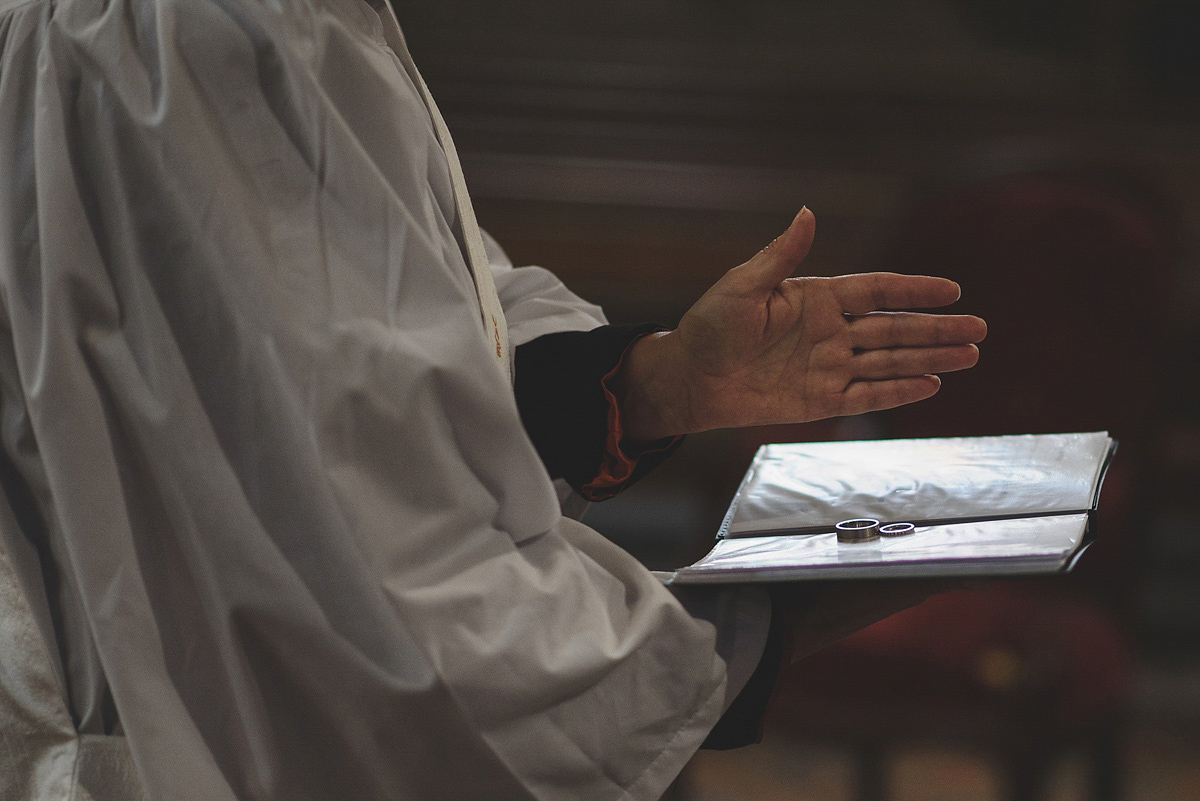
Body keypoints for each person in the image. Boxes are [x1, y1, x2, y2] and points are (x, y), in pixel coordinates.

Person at [0, 0, 986, 798]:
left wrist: (656, 379)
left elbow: (386, 347)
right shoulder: (207, 29)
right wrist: (762, 627)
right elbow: (379, 589)